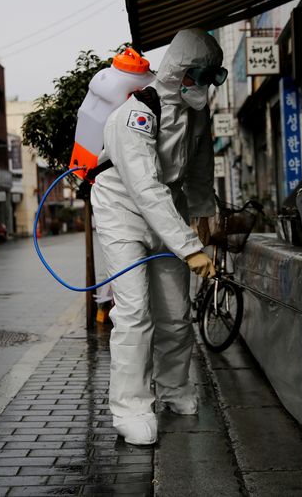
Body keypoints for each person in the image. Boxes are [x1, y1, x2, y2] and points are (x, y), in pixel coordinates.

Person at [91, 28, 226, 445]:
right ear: (178, 72)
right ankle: (130, 408)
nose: (203, 86)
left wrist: (204, 216)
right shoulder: (136, 113)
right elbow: (144, 187)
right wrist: (190, 249)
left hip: (167, 207)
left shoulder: (196, 113)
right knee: (134, 312)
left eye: (210, 78)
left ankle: (174, 389)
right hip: (122, 207)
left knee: (174, 311)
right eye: (198, 76)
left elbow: (200, 170)